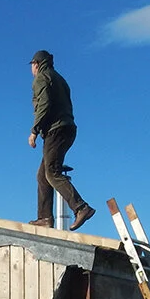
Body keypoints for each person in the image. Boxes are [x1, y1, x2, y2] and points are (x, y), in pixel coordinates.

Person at [28, 50, 95, 231]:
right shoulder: (59, 79)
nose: (31, 70)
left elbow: (44, 104)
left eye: (32, 66)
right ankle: (45, 218)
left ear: (36, 64)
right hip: (67, 129)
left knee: (51, 173)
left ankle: (81, 207)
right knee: (43, 175)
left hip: (56, 131)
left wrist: (34, 131)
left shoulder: (42, 78)